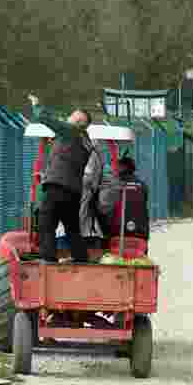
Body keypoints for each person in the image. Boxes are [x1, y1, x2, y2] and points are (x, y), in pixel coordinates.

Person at [28, 96, 94, 263]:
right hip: (73, 191)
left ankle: (48, 259)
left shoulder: (72, 131)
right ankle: (81, 258)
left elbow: (48, 120)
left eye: (71, 116)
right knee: (72, 228)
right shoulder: (85, 140)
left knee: (46, 222)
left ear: (78, 121)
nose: (68, 118)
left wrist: (37, 106)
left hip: (57, 187)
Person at [98, 156, 150, 241]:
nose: (115, 169)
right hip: (140, 231)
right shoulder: (142, 185)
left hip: (115, 231)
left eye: (117, 166)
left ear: (122, 167)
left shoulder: (112, 184)